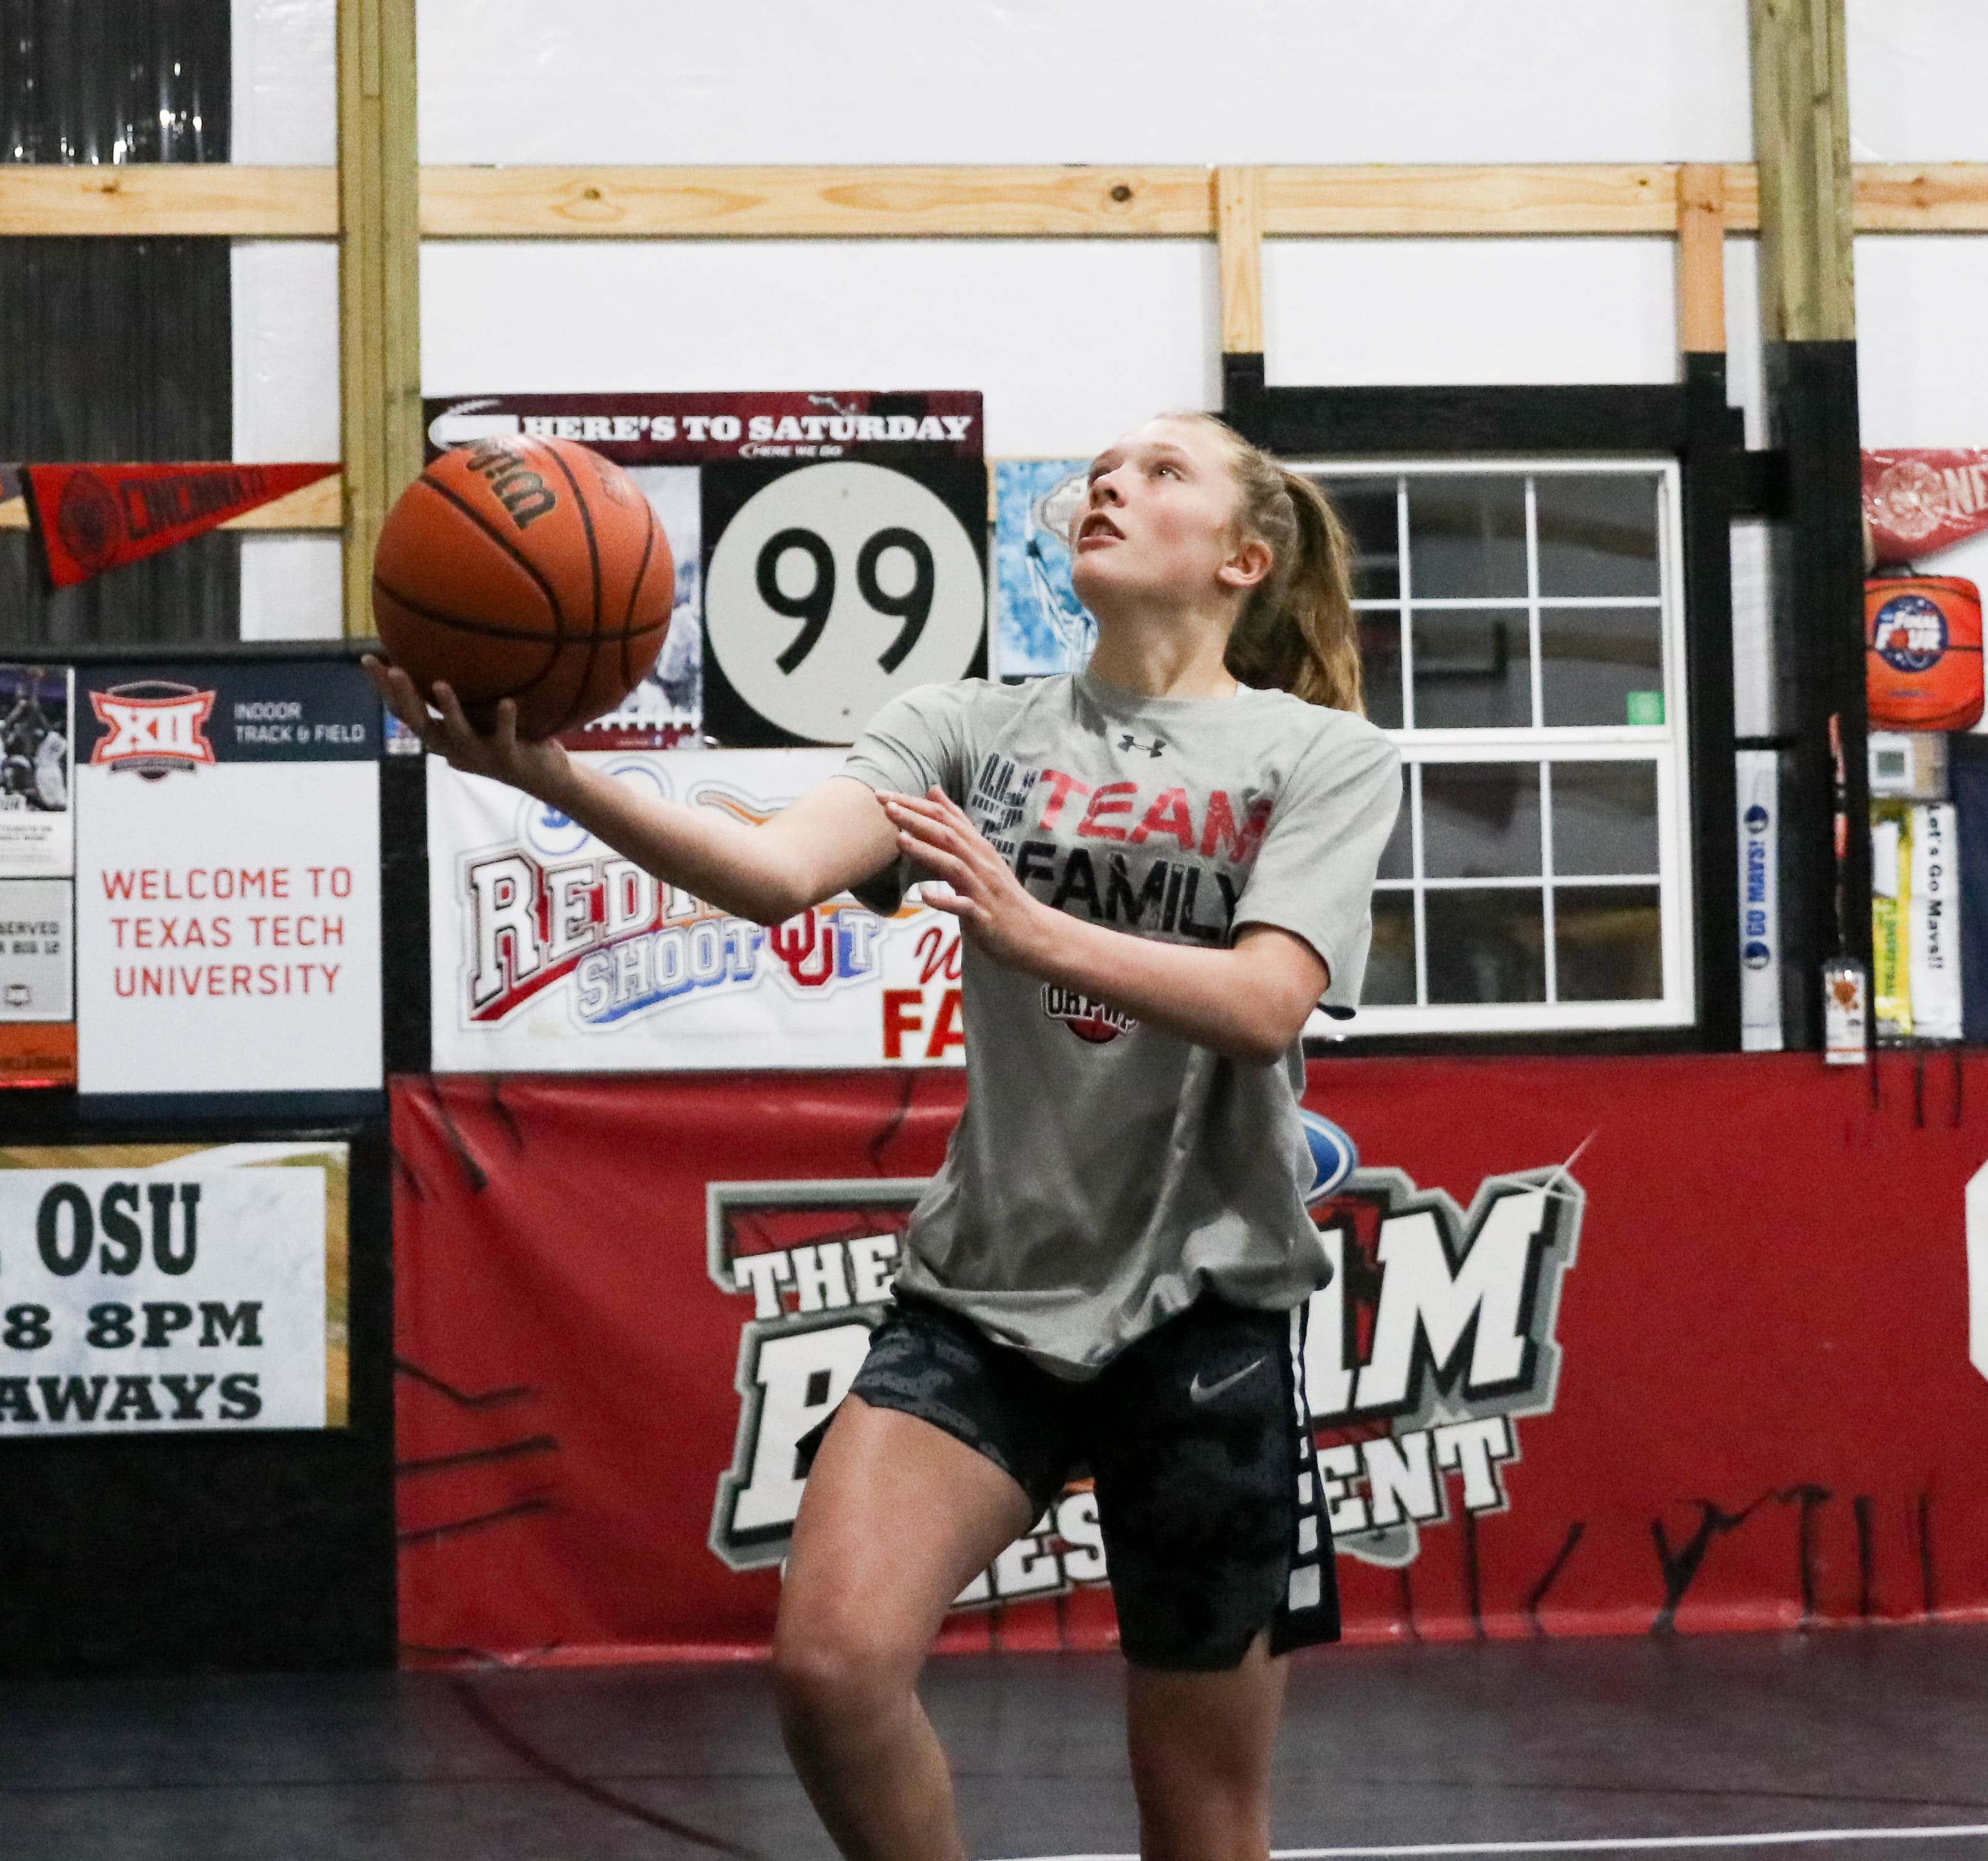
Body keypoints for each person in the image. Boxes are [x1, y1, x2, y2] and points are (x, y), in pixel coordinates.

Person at [371, 412, 1399, 1861]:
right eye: (1104, 465)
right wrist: (551, 773)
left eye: (1163, 469)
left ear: (1242, 557)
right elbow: (773, 874)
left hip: (1206, 1319)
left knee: (1205, 1817)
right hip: (985, 1297)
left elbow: (1263, 997)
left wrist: (1035, 926)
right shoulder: (966, 727)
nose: (1113, 478)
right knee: (833, 1670)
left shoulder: (1325, 754)